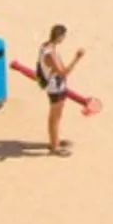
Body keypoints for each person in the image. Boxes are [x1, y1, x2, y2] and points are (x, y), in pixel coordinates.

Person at [38, 24, 83, 157]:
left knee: (56, 116)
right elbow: (63, 73)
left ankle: (55, 140)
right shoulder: (50, 54)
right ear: (60, 37)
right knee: (55, 117)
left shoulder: (45, 46)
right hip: (55, 87)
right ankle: (54, 147)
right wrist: (77, 58)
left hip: (55, 85)